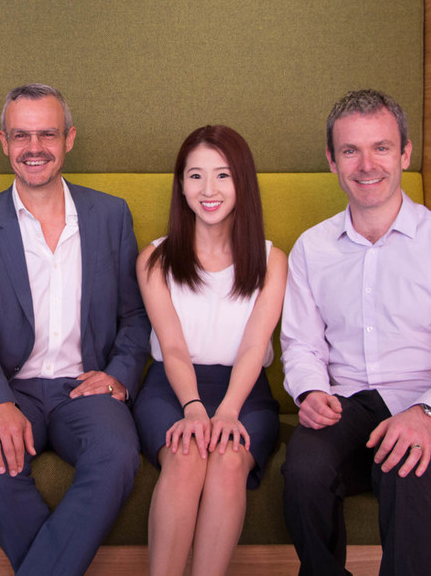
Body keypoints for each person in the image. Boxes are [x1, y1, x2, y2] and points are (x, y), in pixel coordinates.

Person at [280, 89, 431, 575]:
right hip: (350, 405)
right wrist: (310, 390)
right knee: (303, 472)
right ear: (332, 162)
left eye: (380, 147)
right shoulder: (312, 249)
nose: (366, 164)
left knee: (405, 466)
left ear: (404, 154)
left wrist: (425, 414)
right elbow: (301, 344)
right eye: (350, 151)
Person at [0, 83, 150, 575]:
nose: (34, 148)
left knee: (119, 457)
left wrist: (119, 375)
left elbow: (137, 315)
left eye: (47, 134)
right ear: (3, 141)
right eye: (21, 136)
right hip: (12, 388)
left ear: (69, 139)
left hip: (86, 386)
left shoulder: (110, 216)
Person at [133, 125, 285, 575]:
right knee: (185, 456)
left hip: (246, 390)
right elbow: (173, 347)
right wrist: (194, 407)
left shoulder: (272, 260)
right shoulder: (155, 259)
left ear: (243, 183)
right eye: (195, 176)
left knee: (228, 459)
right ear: (181, 185)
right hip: (171, 388)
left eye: (223, 175)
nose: (209, 189)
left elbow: (255, 345)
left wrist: (229, 410)